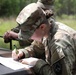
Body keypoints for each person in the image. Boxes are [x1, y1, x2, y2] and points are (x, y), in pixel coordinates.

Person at [11, 3, 76, 75]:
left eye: (30, 34)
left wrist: (37, 63)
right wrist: (22, 53)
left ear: (42, 27)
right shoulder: (47, 31)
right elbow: (37, 48)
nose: (29, 37)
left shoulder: (59, 44)